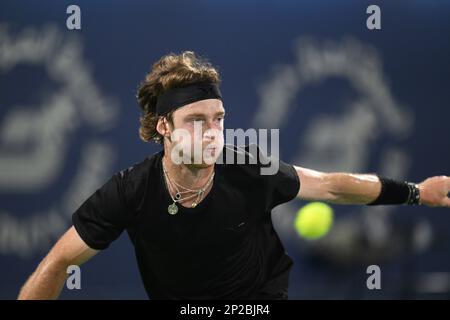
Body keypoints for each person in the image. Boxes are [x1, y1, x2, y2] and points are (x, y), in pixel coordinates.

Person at [18, 51, 450, 300]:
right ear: (163, 127)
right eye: (197, 120)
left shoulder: (249, 170)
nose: (213, 132)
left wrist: (417, 192)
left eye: (219, 118)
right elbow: (58, 262)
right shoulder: (129, 190)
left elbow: (332, 185)